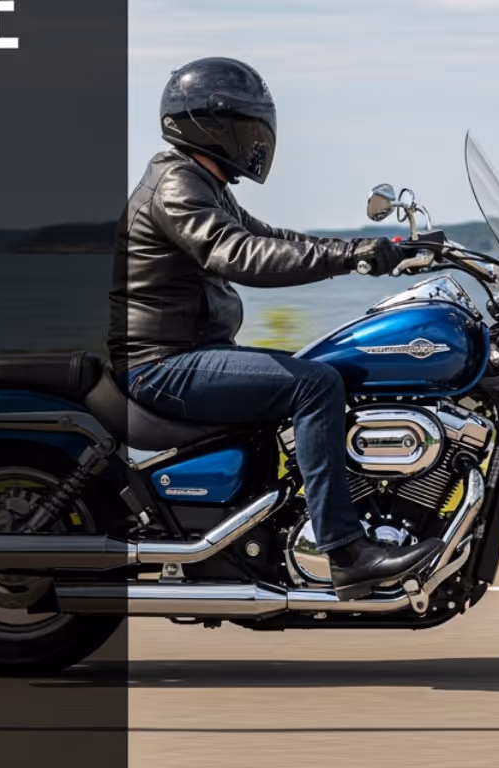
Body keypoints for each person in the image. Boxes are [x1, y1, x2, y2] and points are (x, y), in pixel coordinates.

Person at [110, 56, 443, 600]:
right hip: (162, 366)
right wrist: (352, 258)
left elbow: (275, 238)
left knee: (326, 369)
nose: (258, 138)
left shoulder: (203, 182)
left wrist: (379, 250)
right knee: (316, 384)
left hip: (186, 356)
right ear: (213, 125)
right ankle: (346, 553)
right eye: (248, 124)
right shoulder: (176, 184)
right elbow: (240, 253)